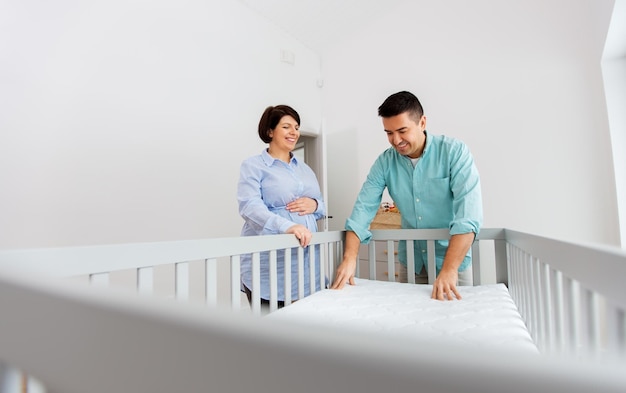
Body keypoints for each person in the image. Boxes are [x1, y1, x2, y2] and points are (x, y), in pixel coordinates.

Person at [330, 91, 483, 301]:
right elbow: (362, 209)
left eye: (402, 130)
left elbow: (468, 216)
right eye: (389, 133)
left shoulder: (454, 153)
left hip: (452, 261)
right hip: (412, 261)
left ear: (422, 122)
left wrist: (449, 269)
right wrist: (349, 258)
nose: (396, 140)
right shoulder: (385, 162)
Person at [238, 104, 326, 309]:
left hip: (306, 264)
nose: (294, 132)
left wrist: (314, 204)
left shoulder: (306, 170)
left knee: (302, 330)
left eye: (296, 127)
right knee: (271, 332)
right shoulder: (253, 166)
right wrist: (287, 226)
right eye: (287, 127)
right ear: (270, 131)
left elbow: (321, 207)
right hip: (270, 264)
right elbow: (249, 206)